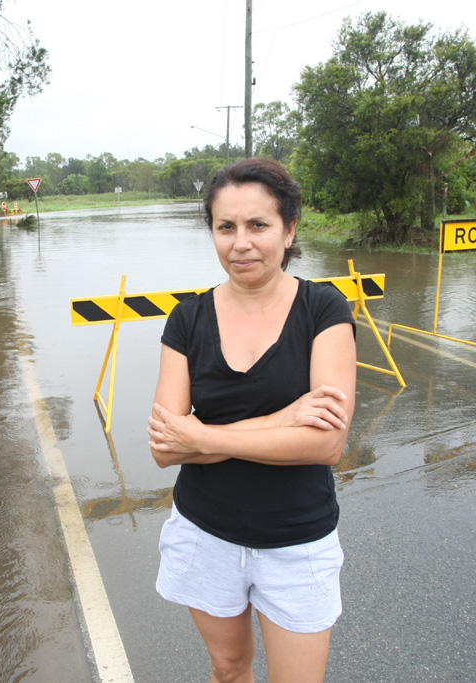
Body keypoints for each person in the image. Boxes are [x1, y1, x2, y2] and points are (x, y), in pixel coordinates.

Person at [148, 157, 357, 683]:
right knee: (228, 669)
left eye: (258, 225)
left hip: (296, 541)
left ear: (289, 230)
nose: (240, 243)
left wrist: (202, 435)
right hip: (205, 533)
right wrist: (285, 418)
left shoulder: (324, 310)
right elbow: (166, 449)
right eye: (226, 227)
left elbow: (325, 446)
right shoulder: (188, 319)